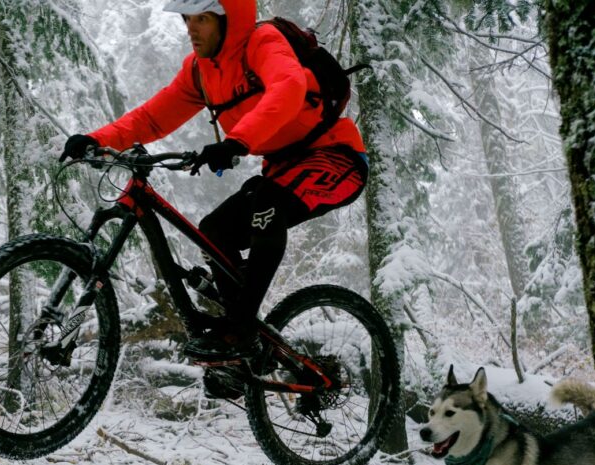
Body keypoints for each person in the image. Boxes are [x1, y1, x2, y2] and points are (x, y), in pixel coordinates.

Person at [60, 0, 368, 381]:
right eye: (187, 18)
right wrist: (96, 138)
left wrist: (236, 141)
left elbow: (289, 88)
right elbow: (154, 116)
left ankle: (238, 331)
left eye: (201, 18)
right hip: (284, 169)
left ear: (226, 19)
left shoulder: (262, 41)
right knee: (214, 230)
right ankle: (240, 355)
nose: (191, 28)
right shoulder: (200, 73)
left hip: (335, 158)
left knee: (266, 203)